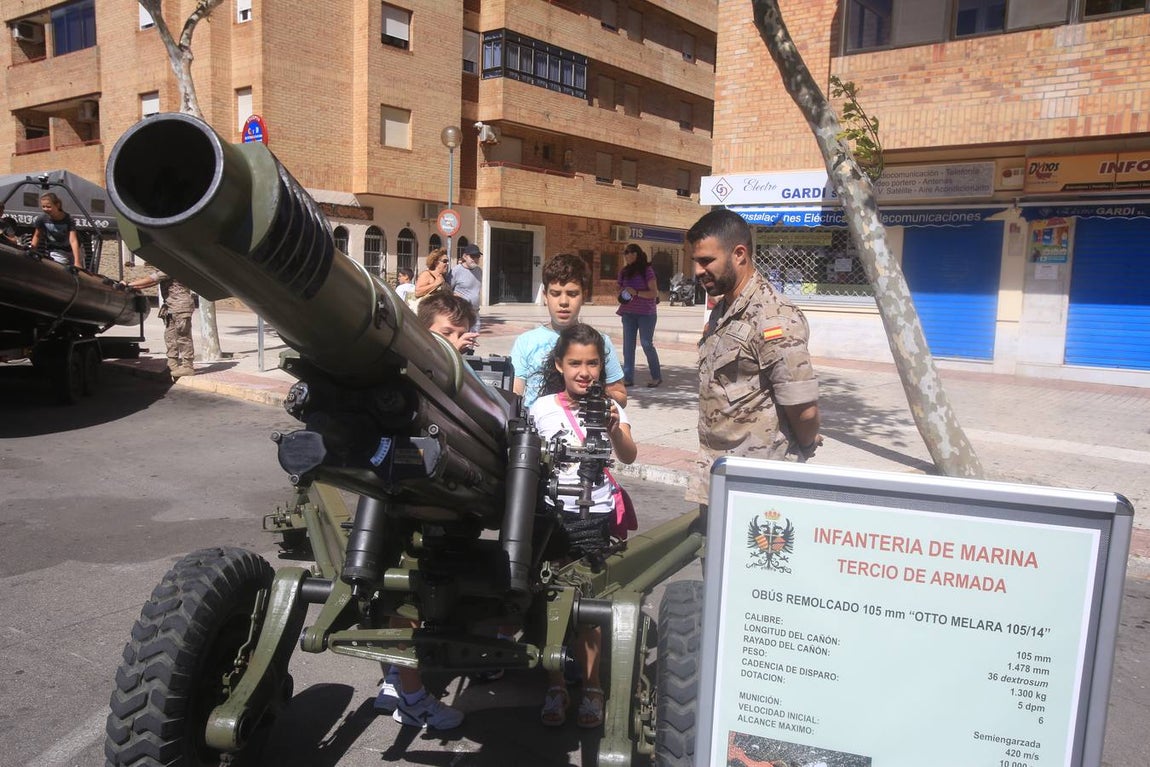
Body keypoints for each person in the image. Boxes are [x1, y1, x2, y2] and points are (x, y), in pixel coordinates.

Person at [371, 293, 482, 731]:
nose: (453, 342)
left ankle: (398, 679)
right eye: (443, 334)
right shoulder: (407, 376)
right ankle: (410, 692)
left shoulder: (462, 374)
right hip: (410, 494)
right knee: (405, 597)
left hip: (435, 489)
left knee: (403, 597)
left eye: (459, 335)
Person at [530, 323, 637, 728]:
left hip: (596, 517)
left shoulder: (613, 407)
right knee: (548, 604)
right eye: (575, 362)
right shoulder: (541, 409)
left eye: (592, 363)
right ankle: (555, 684)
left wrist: (613, 426)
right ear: (559, 364)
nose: (584, 371)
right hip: (554, 517)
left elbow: (628, 454)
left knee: (589, 609)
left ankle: (592, 687)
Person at [685, 209, 820, 506]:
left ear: (739, 254)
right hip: (718, 475)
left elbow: (804, 411)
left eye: (706, 260)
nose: (697, 270)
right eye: (696, 261)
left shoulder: (773, 318)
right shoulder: (724, 310)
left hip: (758, 486)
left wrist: (804, 446)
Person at [510, 253, 628, 409]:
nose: (564, 302)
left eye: (572, 294)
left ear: (583, 296)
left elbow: (620, 395)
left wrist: (596, 390)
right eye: (556, 294)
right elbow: (514, 393)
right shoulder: (525, 342)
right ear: (545, 296)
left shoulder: (601, 342)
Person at [125, 270, 197, 378]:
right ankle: (172, 365)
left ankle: (188, 367)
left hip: (181, 307)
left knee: (183, 338)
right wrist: (134, 287)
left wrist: (129, 284)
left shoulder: (170, 266)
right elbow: (153, 283)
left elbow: (153, 279)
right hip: (171, 308)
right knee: (170, 337)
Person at [615, 243, 663, 388]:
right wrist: (622, 292)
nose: (627, 256)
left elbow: (654, 293)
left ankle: (656, 376)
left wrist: (636, 292)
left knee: (647, 344)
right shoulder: (624, 272)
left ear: (636, 254)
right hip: (628, 313)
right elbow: (619, 287)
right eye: (625, 253)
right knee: (627, 347)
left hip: (646, 314)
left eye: (629, 253)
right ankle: (628, 378)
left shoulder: (647, 271)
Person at [31, 193, 84, 268]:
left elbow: (73, 240)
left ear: (57, 205)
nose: (46, 209)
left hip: (73, 250)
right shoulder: (42, 219)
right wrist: (32, 251)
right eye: (43, 207)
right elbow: (37, 236)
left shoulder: (68, 219)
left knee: (77, 271)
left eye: (49, 207)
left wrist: (77, 261)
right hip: (57, 250)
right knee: (59, 269)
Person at [451, 243, 483, 333]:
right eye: (473, 256)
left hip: (475, 313)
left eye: (477, 256)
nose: (476, 259)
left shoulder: (479, 271)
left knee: (472, 341)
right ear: (465, 256)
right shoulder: (456, 271)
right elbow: (447, 290)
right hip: (461, 313)